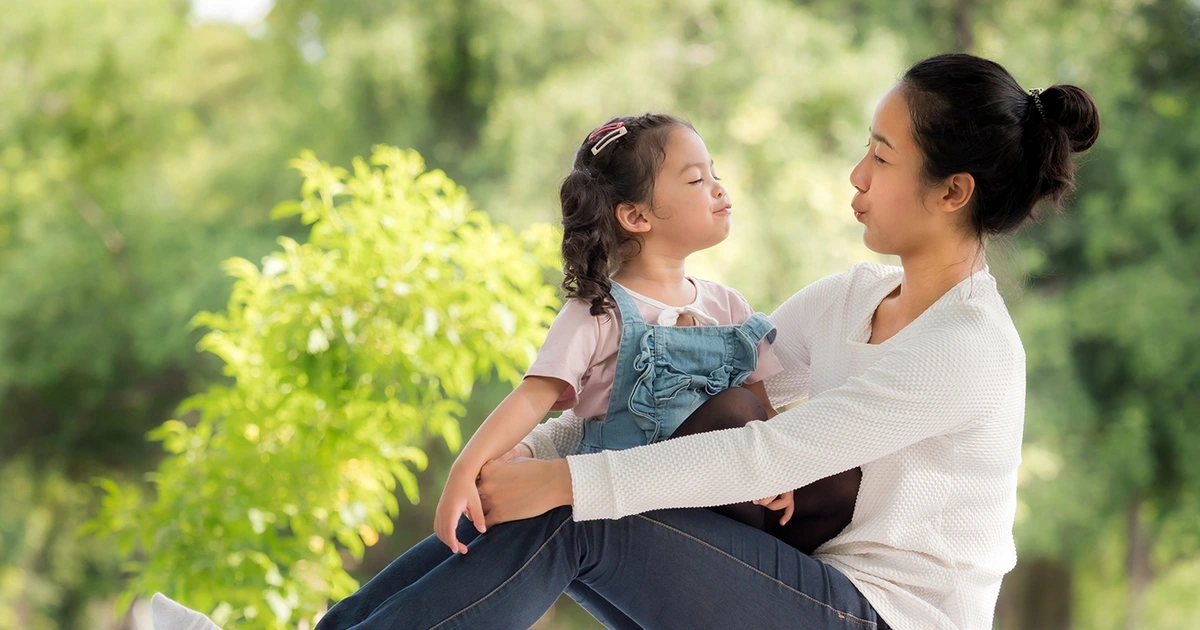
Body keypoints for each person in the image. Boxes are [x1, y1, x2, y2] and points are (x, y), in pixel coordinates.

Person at [315, 53, 1101, 630]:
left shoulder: (967, 346)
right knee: (561, 489)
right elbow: (660, 386)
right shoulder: (850, 299)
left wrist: (559, 483)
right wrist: (521, 458)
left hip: (882, 618)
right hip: (799, 582)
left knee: (576, 506)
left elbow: (763, 457)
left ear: (954, 192)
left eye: (882, 157)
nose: (856, 176)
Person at [432, 112, 863, 558]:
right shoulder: (598, 311)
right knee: (733, 409)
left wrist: (782, 471)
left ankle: (760, 574)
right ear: (636, 215)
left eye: (715, 173)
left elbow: (765, 409)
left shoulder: (729, 306)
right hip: (639, 503)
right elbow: (531, 398)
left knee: (840, 481)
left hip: (729, 496)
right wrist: (466, 468)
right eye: (696, 180)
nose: (718, 188)